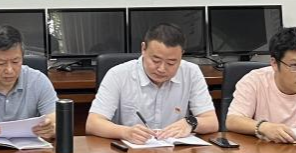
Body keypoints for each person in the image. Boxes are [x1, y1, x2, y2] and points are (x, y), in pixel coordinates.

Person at [86, 23, 217, 142]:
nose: (162, 69)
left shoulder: (191, 72)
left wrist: (191, 122)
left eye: (171, 63)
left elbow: (212, 122)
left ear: (181, 55)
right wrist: (125, 132)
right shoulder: (118, 74)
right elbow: (93, 123)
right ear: (143, 49)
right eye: (156, 61)